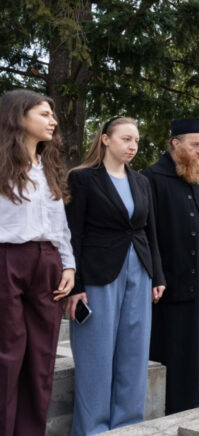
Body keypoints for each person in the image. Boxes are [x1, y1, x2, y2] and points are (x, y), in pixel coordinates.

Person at [64, 117, 167, 434]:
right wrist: (75, 287)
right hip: (97, 275)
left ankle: (128, 427)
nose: (133, 145)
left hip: (139, 272)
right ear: (106, 139)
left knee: (134, 357)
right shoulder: (81, 179)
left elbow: (150, 232)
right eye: (126, 138)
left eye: (136, 140)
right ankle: (93, 430)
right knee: (96, 358)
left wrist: (158, 276)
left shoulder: (141, 182)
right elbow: (72, 235)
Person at [0, 89, 75, 436]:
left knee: (42, 357)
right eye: (44, 114)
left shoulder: (49, 167)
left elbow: (60, 226)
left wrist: (69, 265)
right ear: (19, 116)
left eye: (53, 115)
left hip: (48, 262)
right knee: (8, 355)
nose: (53, 121)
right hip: (7, 259)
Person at [144, 118, 199, 414]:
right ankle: (180, 404)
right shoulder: (152, 178)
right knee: (177, 346)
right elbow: (148, 233)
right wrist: (156, 274)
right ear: (175, 144)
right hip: (171, 280)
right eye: (194, 145)